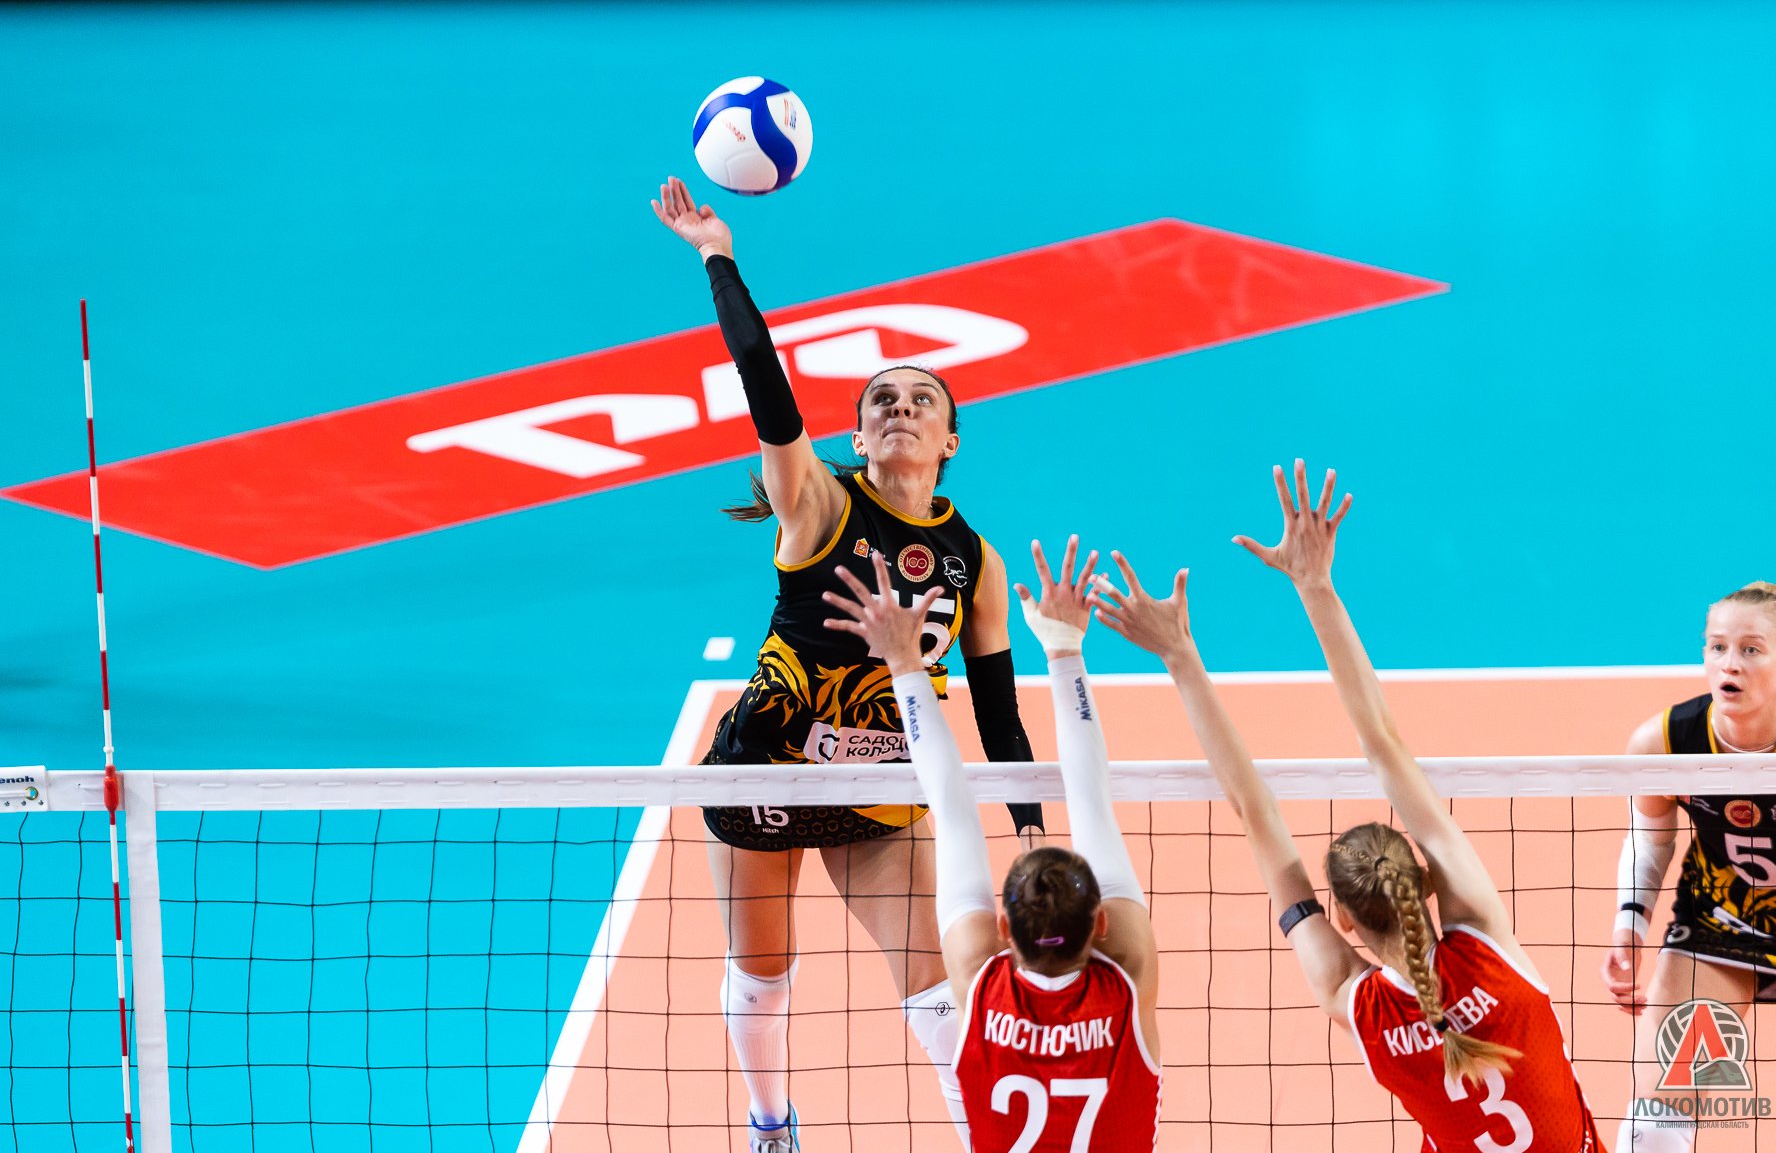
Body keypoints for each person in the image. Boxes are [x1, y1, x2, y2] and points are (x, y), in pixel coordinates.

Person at [652, 177, 1045, 1153]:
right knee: (764, 979)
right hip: (765, 772)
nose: (901, 408)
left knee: (943, 995)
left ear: (949, 440)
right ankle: (771, 1124)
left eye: (923, 400)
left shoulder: (975, 560)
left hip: (883, 786)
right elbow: (762, 381)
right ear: (859, 436)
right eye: (882, 401)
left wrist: (1032, 829)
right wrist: (717, 254)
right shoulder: (818, 505)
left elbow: (998, 714)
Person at [1091, 461, 1602, 1153]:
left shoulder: (1356, 1005)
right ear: (1426, 882)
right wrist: (1316, 584)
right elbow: (1383, 745)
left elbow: (1254, 812)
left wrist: (1180, 656)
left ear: (1343, 921)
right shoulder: (1484, 945)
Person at [822, 537, 1162, 1152]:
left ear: (1004, 927)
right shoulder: (1126, 981)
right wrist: (1064, 648)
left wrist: (904, 663)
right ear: (1101, 923)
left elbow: (949, 805)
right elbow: (1087, 797)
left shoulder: (979, 984)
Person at [1601, 582, 1776, 1152]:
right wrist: (1629, 925)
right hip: (1721, 923)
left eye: (1750, 649)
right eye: (1717, 647)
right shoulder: (1665, 742)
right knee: (1652, 1127)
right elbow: (1650, 838)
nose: (1729, 663)